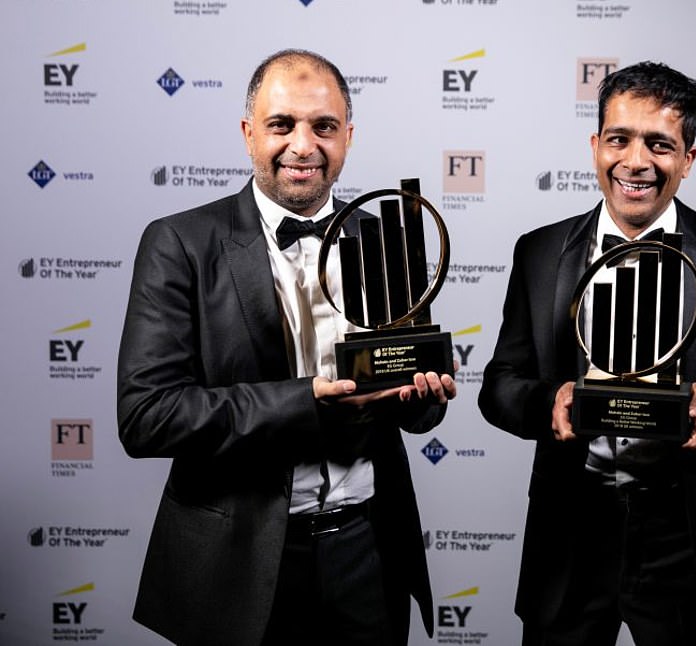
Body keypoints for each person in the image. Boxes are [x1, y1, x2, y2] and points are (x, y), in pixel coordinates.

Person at [117, 49, 456, 646]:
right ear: (250, 135)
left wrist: (422, 397)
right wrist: (306, 404)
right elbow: (147, 417)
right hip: (239, 563)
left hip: (368, 551)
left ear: (347, 137)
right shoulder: (180, 242)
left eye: (324, 126)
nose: (303, 145)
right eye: (282, 125)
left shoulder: (386, 237)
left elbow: (418, 404)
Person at [478, 61, 696, 646]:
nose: (635, 162)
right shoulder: (538, 253)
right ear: (595, 146)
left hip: (689, 536)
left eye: (659, 144)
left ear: (687, 159)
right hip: (571, 533)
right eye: (619, 139)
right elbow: (499, 385)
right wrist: (549, 402)